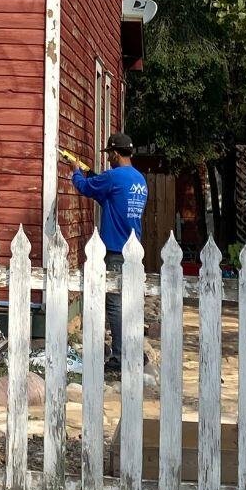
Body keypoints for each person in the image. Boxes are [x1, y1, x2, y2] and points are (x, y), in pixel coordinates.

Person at [70, 132, 148, 373]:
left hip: (114, 249)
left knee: (114, 303)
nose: (109, 159)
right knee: (130, 302)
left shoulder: (113, 177)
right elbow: (114, 200)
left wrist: (75, 171)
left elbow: (85, 187)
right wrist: (97, 177)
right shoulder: (139, 180)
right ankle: (134, 349)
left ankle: (120, 355)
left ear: (115, 153)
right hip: (134, 250)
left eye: (109, 155)